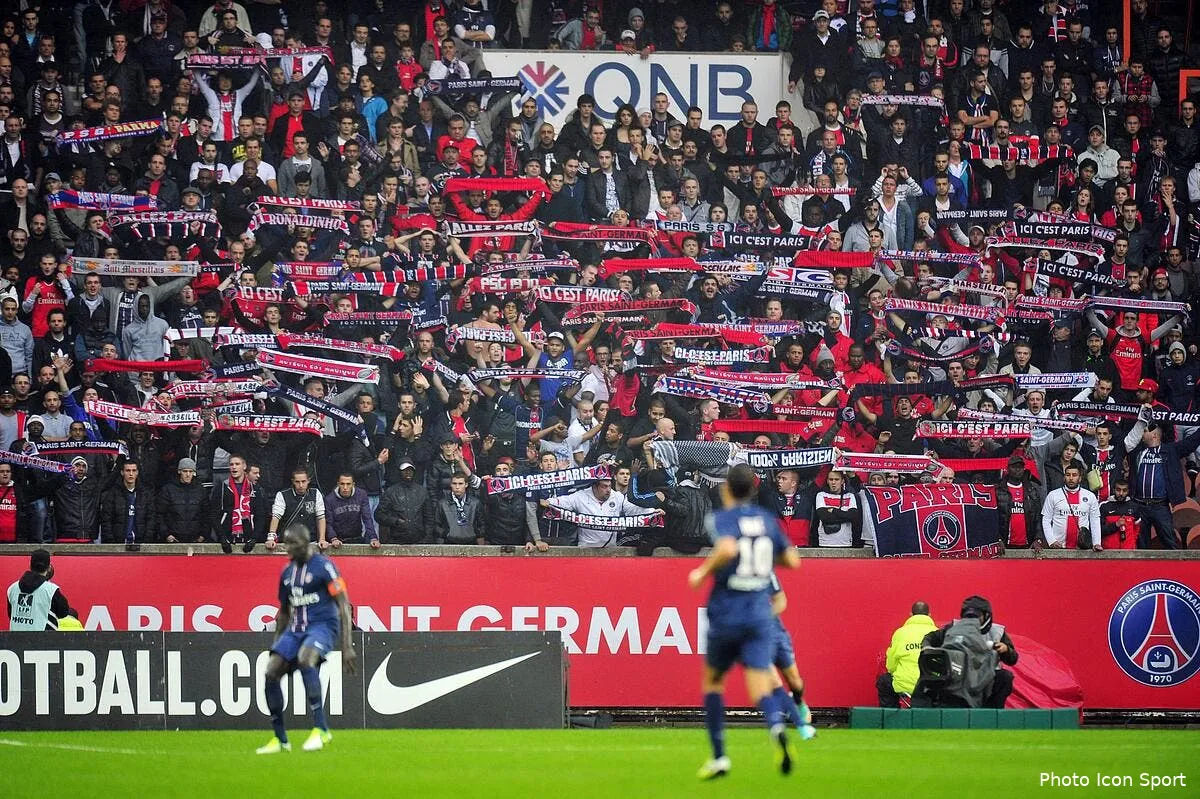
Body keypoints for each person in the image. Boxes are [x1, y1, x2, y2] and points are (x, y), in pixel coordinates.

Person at [687, 463, 801, 779]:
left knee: (713, 682)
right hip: (759, 614)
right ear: (753, 490)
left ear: (727, 490)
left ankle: (719, 757)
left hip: (727, 612)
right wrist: (764, 561)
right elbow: (793, 561)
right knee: (760, 682)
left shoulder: (722, 518)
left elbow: (726, 548)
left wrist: (701, 573)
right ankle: (776, 727)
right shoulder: (767, 520)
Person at [256, 526, 356, 754]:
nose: (287, 549)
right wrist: (277, 644)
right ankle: (280, 740)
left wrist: (347, 646)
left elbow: (343, 605)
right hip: (295, 629)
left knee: (305, 659)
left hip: (322, 626)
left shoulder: (325, 566)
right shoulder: (287, 573)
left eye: (292, 544)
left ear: (305, 543)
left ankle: (321, 729)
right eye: (286, 544)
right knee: (271, 672)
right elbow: (284, 612)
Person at [916, 596, 1018, 709]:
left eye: (976, 616)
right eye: (968, 616)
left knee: (1005, 677)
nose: (972, 620)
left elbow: (1013, 659)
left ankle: (992, 713)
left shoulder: (997, 632)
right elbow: (930, 638)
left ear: (986, 616)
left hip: (984, 678)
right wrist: (926, 648)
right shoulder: (953, 628)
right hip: (957, 675)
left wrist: (1006, 650)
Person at [877, 600, 937, 708]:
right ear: (929, 615)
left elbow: (891, 664)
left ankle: (891, 716)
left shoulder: (900, 633)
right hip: (930, 686)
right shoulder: (937, 633)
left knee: (883, 682)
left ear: (910, 614)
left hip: (904, 684)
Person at [7, 548, 71, 630]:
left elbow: (11, 614)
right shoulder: (51, 590)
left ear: (30, 565)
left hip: (15, 637)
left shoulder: (12, 588)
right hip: (43, 637)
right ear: (49, 568)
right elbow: (63, 613)